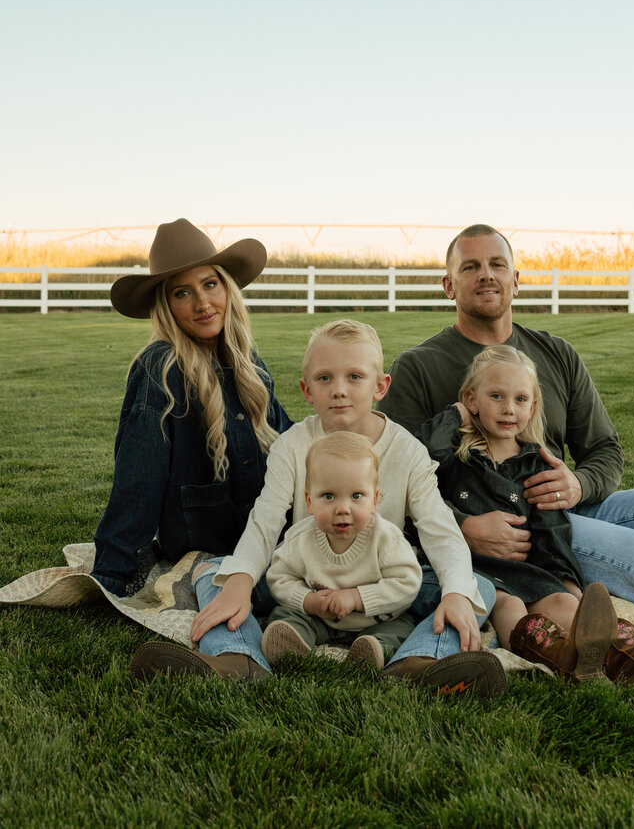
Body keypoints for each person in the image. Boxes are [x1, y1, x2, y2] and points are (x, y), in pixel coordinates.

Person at [381, 223, 634, 647]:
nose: (486, 274)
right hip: (521, 526)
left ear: (515, 280)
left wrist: (578, 484)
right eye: (471, 267)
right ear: (449, 285)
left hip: (566, 507)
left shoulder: (557, 353)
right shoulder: (419, 367)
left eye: (497, 264)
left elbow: (604, 450)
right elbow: (390, 476)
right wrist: (462, 526)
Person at [159, 319, 506, 697]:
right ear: (307, 390)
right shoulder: (292, 444)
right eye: (325, 378)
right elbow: (266, 518)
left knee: (475, 588)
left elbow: (440, 529)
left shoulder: (407, 451)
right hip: (308, 579)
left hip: (382, 586)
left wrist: (455, 592)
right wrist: (240, 581)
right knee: (216, 573)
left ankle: (418, 662)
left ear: (380, 386)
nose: (339, 389)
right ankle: (238, 658)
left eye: (354, 377)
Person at [418, 345, 634, 686]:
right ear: (473, 400)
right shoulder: (457, 456)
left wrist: (571, 586)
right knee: (509, 606)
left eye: (520, 399)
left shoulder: (538, 467)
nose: (508, 408)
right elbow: (416, 453)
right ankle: (564, 656)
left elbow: (553, 532)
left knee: (564, 603)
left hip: (530, 569)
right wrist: (456, 414)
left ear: (532, 407)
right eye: (496, 396)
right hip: (474, 569)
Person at [96, 217, 292, 682]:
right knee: (212, 580)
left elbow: (289, 446)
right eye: (182, 292)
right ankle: (237, 660)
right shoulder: (160, 367)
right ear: (166, 306)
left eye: (210, 284)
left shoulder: (249, 363)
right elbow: (138, 478)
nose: (203, 303)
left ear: (227, 288)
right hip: (209, 551)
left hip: (267, 541)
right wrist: (110, 578)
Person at [262, 431, 422, 670]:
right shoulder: (300, 539)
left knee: (401, 628)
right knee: (284, 615)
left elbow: (407, 583)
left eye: (357, 496)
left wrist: (357, 598)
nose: (343, 508)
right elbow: (279, 577)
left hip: (376, 621)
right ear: (309, 501)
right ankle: (293, 643)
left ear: (374, 500)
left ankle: (372, 650)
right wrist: (308, 601)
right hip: (320, 618)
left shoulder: (386, 539)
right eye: (329, 496)